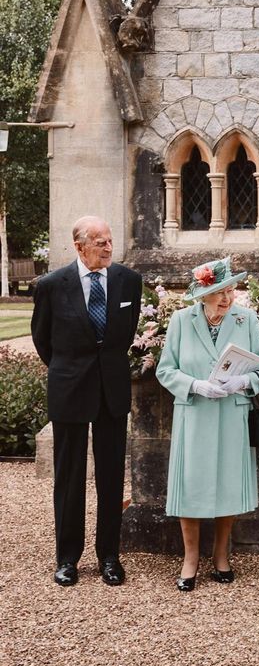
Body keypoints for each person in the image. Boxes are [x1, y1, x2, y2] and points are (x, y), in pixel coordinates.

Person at [31, 216, 143, 587]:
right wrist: (70, 371)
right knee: (69, 477)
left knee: (111, 478)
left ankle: (109, 556)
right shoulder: (51, 286)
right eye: (100, 242)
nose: (108, 248)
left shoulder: (129, 281)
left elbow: (124, 336)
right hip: (69, 388)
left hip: (112, 391)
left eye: (110, 241)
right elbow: (42, 340)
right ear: (79, 246)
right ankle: (67, 559)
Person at [156, 256, 259, 591]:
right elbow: (165, 370)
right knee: (190, 485)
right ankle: (190, 559)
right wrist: (195, 385)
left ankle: (221, 555)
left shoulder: (246, 319)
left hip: (231, 413)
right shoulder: (181, 321)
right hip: (194, 412)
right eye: (220, 291)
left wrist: (243, 382)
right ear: (202, 294)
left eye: (231, 289)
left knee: (227, 483)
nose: (227, 297)